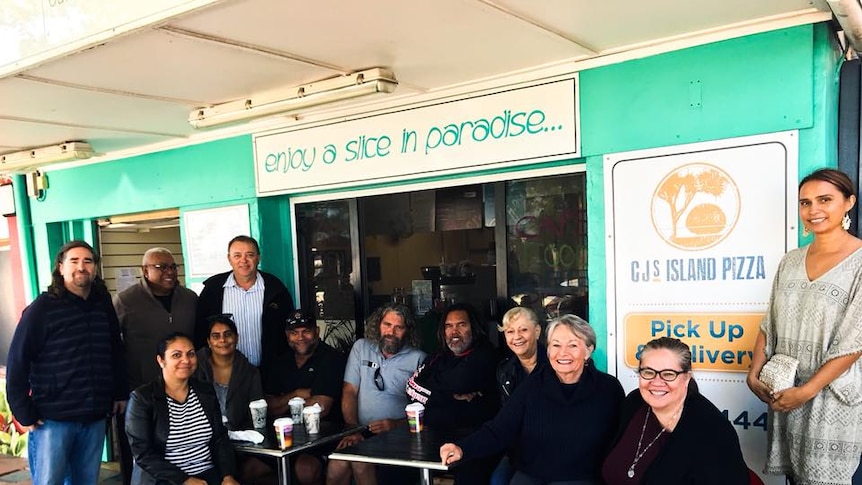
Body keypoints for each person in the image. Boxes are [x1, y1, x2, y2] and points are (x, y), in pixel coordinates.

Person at [747, 168, 862, 485]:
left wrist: (808, 391)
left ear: (848, 202)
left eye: (825, 200)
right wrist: (754, 373)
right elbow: (769, 322)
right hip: (785, 389)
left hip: (831, 396)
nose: (814, 211)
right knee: (795, 477)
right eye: (805, 202)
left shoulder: (859, 261)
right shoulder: (790, 260)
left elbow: (855, 341)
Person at [440, 314, 623, 485]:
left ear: (588, 350)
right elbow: (499, 429)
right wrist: (462, 449)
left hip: (581, 478)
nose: (562, 353)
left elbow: (621, 441)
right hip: (533, 476)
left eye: (573, 345)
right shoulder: (532, 386)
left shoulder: (608, 389)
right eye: (556, 345)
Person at [6, 240, 127, 485]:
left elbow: (115, 350)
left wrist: (119, 392)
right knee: (50, 481)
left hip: (94, 416)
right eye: (74, 261)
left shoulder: (102, 304)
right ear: (60, 268)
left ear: (94, 268)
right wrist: (23, 411)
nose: (81, 267)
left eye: (88, 261)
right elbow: (18, 361)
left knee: (86, 481)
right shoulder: (42, 309)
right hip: (53, 419)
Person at [602, 337, 748, 484]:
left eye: (669, 374)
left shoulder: (714, 431)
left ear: (686, 377)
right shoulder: (634, 402)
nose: (657, 382)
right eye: (648, 372)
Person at [115, 247, 198, 485]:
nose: (169, 272)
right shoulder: (126, 301)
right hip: (140, 392)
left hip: (183, 392)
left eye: (173, 266)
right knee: (142, 456)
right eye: (161, 267)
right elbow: (111, 346)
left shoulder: (190, 298)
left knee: (181, 452)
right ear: (145, 270)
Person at [326, 302, 426, 485]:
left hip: (399, 435)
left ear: (407, 331)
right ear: (378, 324)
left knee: (360, 463)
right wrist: (353, 430)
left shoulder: (418, 358)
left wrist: (395, 425)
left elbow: (423, 410)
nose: (391, 332)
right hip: (360, 430)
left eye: (399, 327)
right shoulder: (361, 348)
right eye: (387, 325)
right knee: (336, 465)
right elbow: (349, 392)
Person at [125, 332, 239, 485]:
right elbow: (143, 453)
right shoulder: (142, 398)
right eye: (176, 355)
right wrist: (184, 480)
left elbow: (220, 438)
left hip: (208, 475)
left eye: (191, 354)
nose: (186, 360)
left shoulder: (205, 391)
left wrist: (228, 476)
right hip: (165, 479)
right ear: (161, 360)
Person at [407, 302, 500, 484]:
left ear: (474, 328)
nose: (454, 331)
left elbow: (460, 381)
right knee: (398, 472)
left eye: (461, 325)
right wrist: (449, 396)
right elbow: (411, 389)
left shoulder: (485, 355)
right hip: (434, 437)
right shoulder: (437, 357)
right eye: (449, 326)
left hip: (475, 441)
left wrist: (431, 391)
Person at [263, 310, 346, 485]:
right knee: (250, 469)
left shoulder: (331, 358)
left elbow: (321, 408)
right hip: (283, 439)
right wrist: (298, 394)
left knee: (305, 470)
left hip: (322, 437)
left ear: (316, 331)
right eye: (294, 333)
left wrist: (284, 402)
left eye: (306, 331)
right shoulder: (280, 362)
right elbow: (269, 407)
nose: (300, 337)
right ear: (287, 336)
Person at [195, 235, 295, 376]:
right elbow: (201, 330)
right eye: (237, 255)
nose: (243, 260)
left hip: (270, 373)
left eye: (250, 255)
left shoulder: (276, 289)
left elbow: (288, 330)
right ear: (229, 259)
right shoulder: (213, 290)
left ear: (258, 258)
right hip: (226, 375)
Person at [492, 306, 548, 485]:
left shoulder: (557, 363)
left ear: (537, 331)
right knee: (497, 481)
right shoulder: (505, 370)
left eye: (523, 330)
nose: (516, 337)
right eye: (510, 331)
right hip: (519, 451)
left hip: (552, 449)